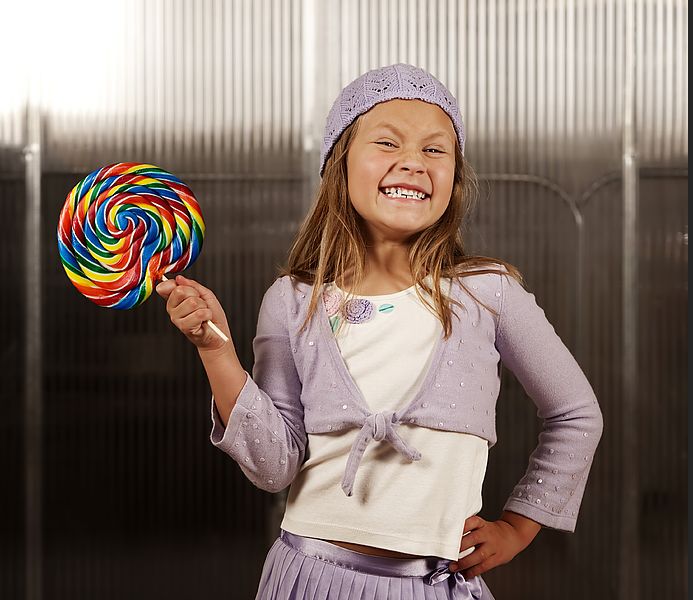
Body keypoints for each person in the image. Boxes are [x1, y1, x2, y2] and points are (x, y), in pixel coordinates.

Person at [156, 63, 603, 600]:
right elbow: (274, 467)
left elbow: (576, 415)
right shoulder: (294, 301)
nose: (412, 162)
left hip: (434, 586)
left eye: (436, 150)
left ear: (455, 178)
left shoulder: (488, 293)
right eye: (387, 143)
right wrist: (214, 348)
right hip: (308, 578)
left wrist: (518, 526)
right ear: (340, 165)